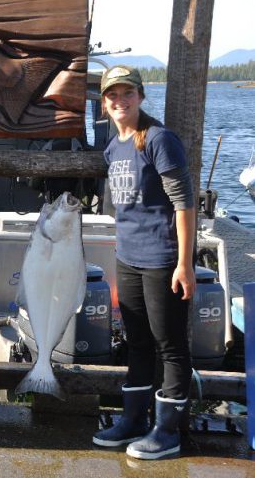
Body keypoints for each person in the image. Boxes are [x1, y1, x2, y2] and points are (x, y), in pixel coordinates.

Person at [92, 65, 196, 460]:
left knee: (169, 344)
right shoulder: (113, 146)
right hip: (127, 258)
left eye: (127, 93)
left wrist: (183, 264)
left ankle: (167, 431)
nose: (120, 100)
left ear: (140, 95)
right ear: (104, 103)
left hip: (161, 259)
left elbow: (184, 204)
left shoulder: (159, 139)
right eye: (113, 95)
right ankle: (133, 420)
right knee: (136, 342)